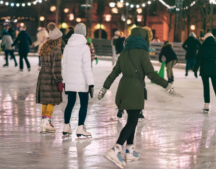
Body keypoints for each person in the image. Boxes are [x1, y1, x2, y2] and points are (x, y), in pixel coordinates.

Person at [98, 27, 176, 168]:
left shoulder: (124, 53)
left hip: (123, 90)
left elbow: (114, 73)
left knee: (132, 120)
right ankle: (115, 149)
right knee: (132, 122)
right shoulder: (142, 53)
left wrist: (105, 87)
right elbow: (151, 74)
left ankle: (129, 150)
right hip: (135, 91)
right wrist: (167, 85)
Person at [62, 23, 95, 139]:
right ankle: (80, 128)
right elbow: (87, 68)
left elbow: (64, 65)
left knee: (70, 103)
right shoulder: (84, 47)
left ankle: (66, 127)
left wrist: (64, 81)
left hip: (70, 80)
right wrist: (91, 84)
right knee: (83, 104)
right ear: (84, 33)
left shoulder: (67, 46)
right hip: (82, 82)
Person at [36, 22, 63, 133]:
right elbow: (56, 67)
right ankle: (47, 121)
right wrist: (59, 80)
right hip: (51, 77)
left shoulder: (45, 47)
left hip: (43, 75)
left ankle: (44, 122)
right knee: (51, 100)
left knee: (45, 101)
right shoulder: (56, 50)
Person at [194, 33, 216, 113]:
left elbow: (198, 59)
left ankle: (206, 105)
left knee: (206, 87)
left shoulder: (202, 47)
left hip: (204, 69)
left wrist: (195, 69)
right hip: (214, 69)